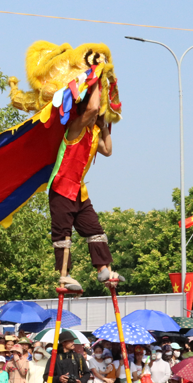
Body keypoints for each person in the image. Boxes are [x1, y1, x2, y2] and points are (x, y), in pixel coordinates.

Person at [47, 75, 121, 291]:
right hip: (61, 188)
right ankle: (65, 275)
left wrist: (104, 126)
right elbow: (90, 110)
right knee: (63, 234)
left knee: (95, 230)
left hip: (79, 191)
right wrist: (97, 78)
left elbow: (107, 150)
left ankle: (103, 270)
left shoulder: (93, 132)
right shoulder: (75, 127)